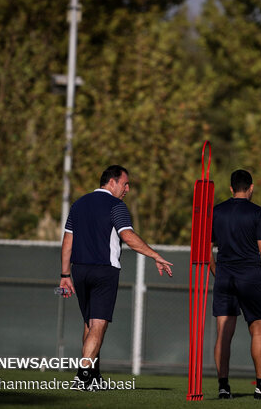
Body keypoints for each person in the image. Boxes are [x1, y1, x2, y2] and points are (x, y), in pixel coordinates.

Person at [59, 165, 173, 391]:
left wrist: (64, 275)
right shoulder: (116, 205)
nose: (127, 189)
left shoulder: (78, 204)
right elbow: (128, 237)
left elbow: (67, 241)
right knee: (99, 324)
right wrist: (155, 255)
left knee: (90, 323)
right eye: (125, 183)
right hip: (104, 270)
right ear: (111, 182)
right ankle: (82, 377)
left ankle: (93, 376)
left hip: (79, 270)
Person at [209, 169, 261, 400]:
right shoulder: (258, 212)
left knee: (223, 334)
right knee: (258, 331)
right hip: (250, 277)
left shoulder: (216, 211)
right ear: (251, 188)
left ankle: (223, 386)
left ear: (231, 188)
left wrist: (217, 272)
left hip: (224, 277)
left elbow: (206, 249)